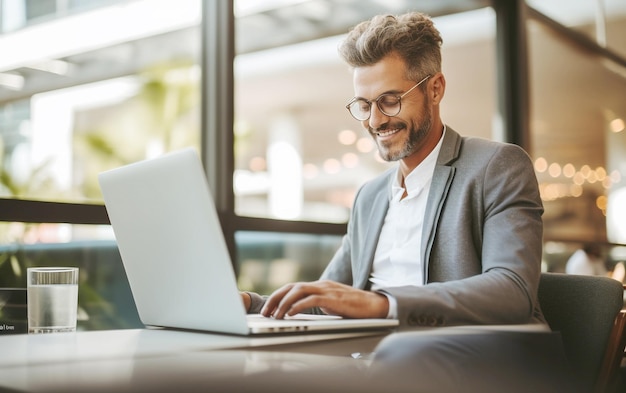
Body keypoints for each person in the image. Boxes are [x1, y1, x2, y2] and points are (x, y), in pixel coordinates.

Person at [238, 11, 581, 393]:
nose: (374, 121)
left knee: (397, 357)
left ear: (434, 88)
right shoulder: (369, 197)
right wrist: (250, 303)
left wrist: (382, 305)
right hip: (379, 365)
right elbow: (327, 298)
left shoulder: (497, 166)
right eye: (364, 105)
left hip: (484, 365)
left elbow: (511, 290)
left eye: (389, 100)